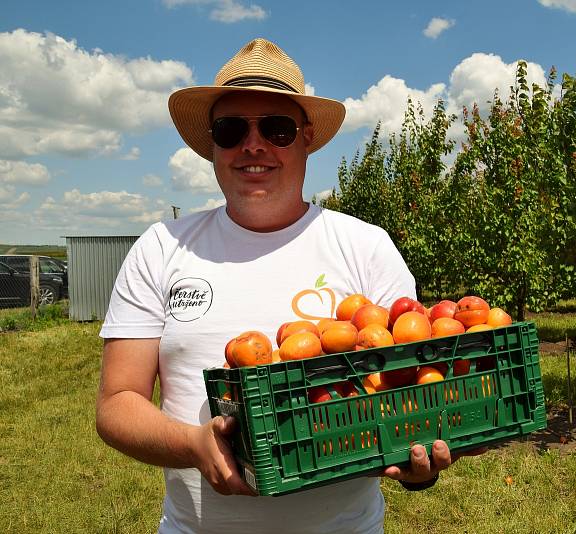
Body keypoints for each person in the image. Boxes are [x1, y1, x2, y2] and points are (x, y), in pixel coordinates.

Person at [95, 38, 465, 533]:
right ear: (211, 142)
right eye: (231, 129)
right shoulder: (162, 247)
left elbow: (409, 393)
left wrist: (418, 469)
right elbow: (117, 402)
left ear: (306, 138)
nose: (253, 145)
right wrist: (192, 445)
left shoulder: (365, 247)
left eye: (276, 128)